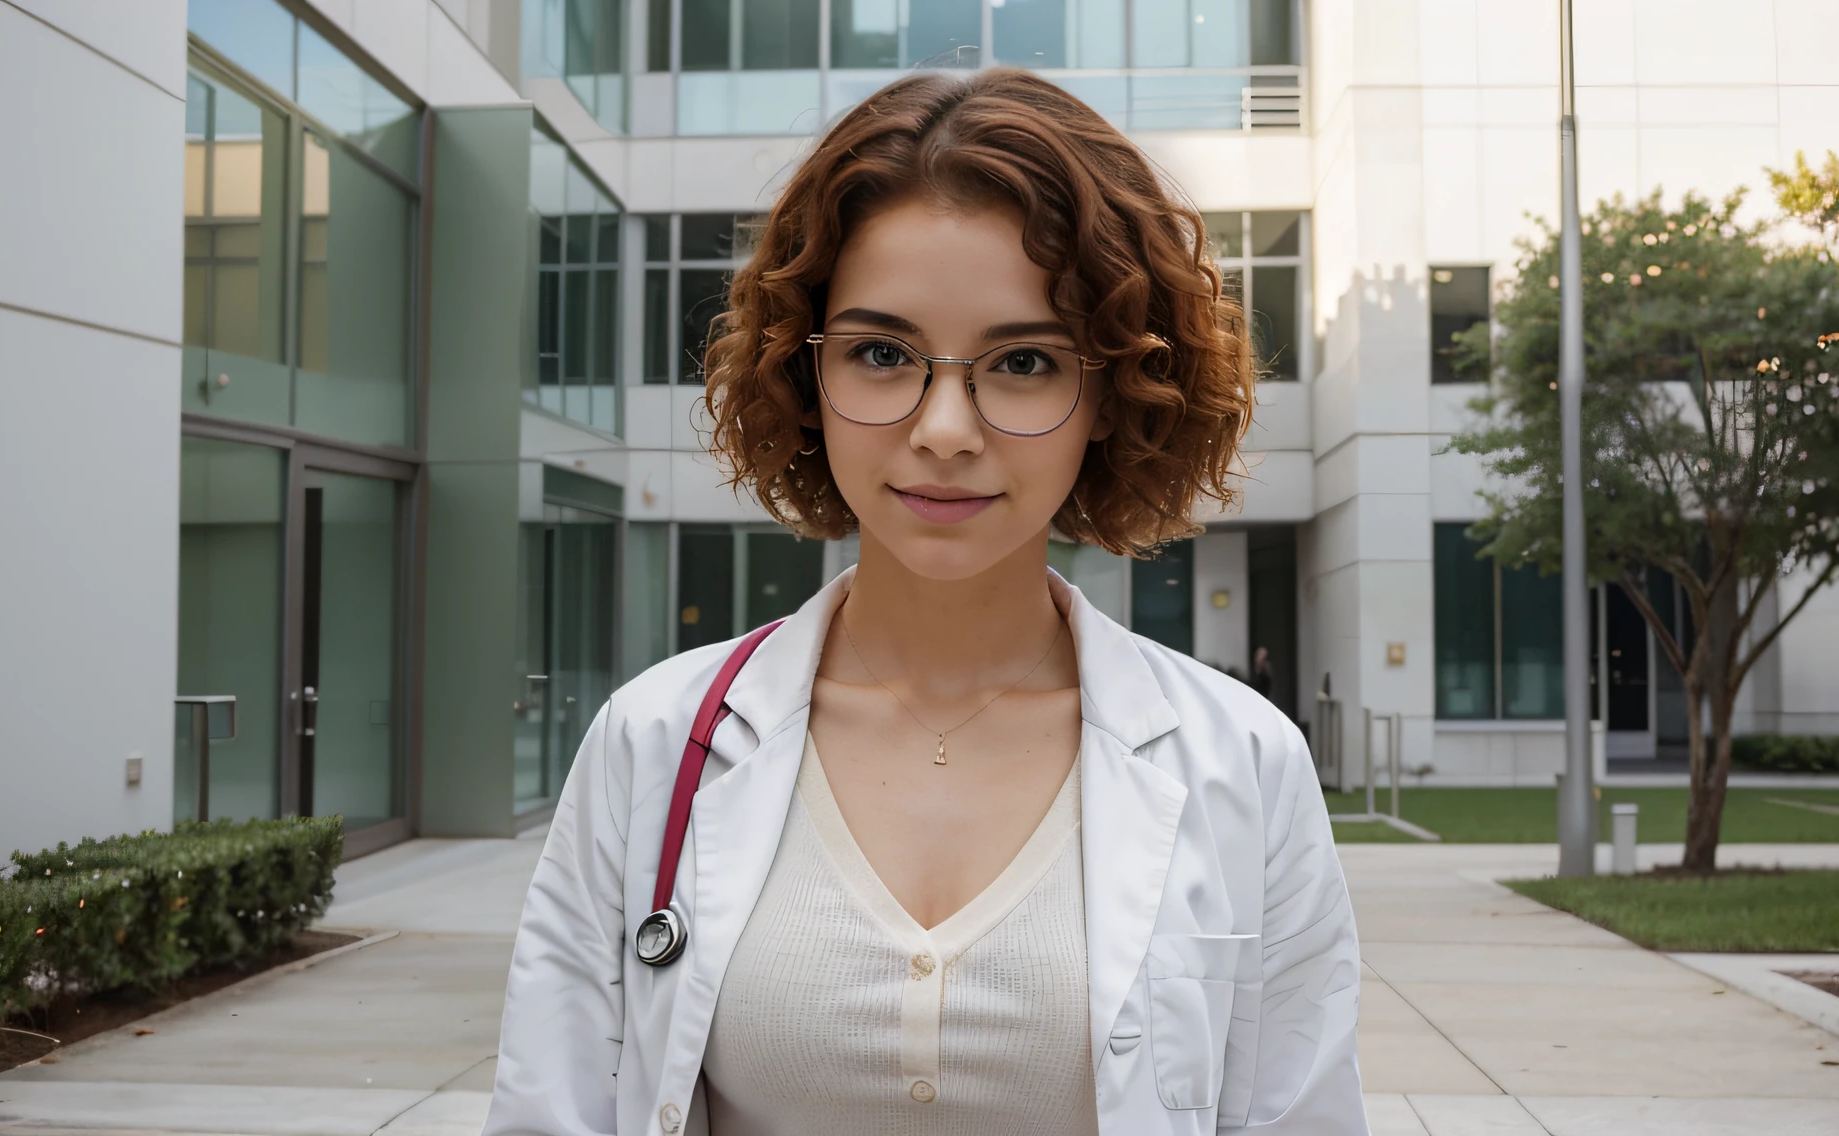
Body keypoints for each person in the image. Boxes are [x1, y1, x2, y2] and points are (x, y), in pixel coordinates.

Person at [484, 70, 1365, 1136]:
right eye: (882, 352)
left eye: (1024, 360)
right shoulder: (655, 742)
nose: (944, 427)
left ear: (1111, 390)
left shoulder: (1242, 765)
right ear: (804, 376)